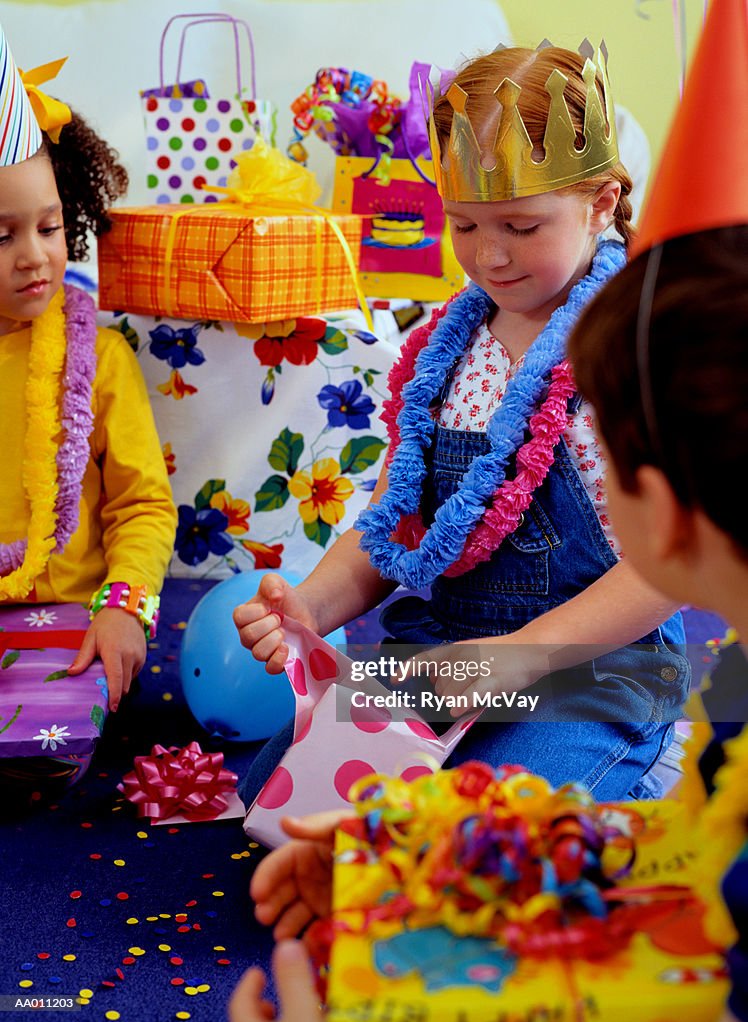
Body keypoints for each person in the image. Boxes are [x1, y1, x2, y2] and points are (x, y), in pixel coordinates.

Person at [235, 41, 689, 804]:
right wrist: (313, 605)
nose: (489, 256)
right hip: (443, 660)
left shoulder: (634, 348)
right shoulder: (444, 355)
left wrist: (516, 659)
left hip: (592, 668)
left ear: (601, 204)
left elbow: (670, 564)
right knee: (282, 798)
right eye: (465, 224)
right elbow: (393, 525)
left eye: (520, 225)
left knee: (485, 829)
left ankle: (637, 770)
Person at [0, 34, 177, 713]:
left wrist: (125, 609)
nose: (33, 257)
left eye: (48, 227)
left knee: (41, 753)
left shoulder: (99, 359)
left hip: (71, 632)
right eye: (2, 235)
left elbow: (142, 505)